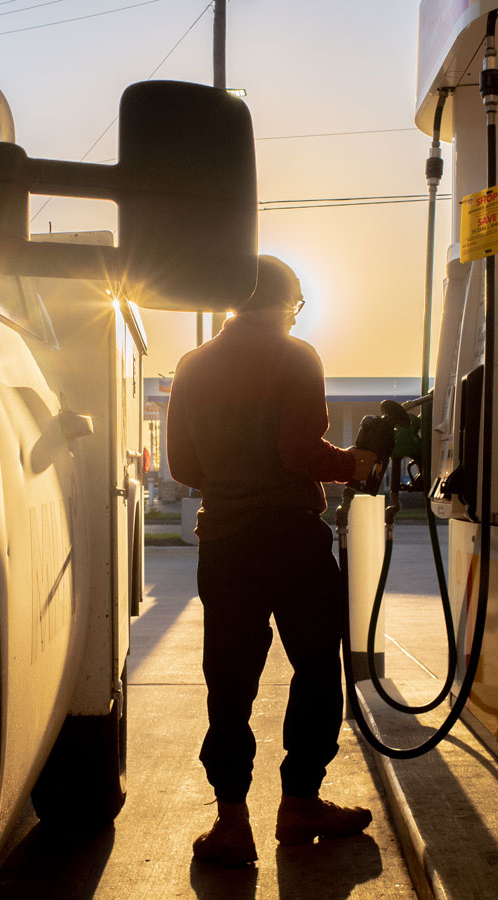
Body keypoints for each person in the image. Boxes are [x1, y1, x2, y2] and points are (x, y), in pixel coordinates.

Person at [166, 255, 378, 866]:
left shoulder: (192, 364)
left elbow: (183, 467)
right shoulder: (295, 355)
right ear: (287, 304)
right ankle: (300, 803)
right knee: (314, 667)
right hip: (289, 538)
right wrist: (351, 465)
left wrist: (232, 479)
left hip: (225, 543)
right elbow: (297, 449)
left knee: (229, 680)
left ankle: (232, 821)